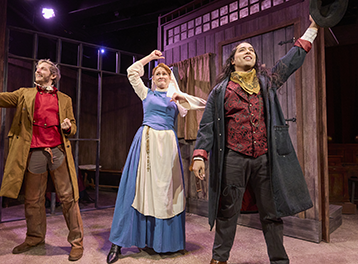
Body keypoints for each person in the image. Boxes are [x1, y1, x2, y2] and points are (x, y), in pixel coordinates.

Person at [191, 16, 320, 264]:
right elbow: (207, 126)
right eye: (242, 50)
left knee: (271, 213)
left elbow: (290, 61)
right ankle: (219, 259)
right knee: (228, 212)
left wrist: (312, 28)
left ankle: (279, 260)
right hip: (233, 158)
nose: (248, 52)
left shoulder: (266, 83)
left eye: (251, 50)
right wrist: (199, 156)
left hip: (264, 158)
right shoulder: (220, 90)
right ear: (233, 60)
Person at [0, 57, 84, 261]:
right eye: (37, 68)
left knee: (68, 199)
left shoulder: (65, 99)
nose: (38, 71)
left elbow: (73, 126)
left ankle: (76, 242)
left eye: (43, 69)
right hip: (34, 153)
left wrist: (69, 127)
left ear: (53, 75)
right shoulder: (24, 93)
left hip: (58, 152)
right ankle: (34, 237)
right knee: (33, 200)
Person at [106, 50, 206, 263]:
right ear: (153, 79)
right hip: (146, 143)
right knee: (135, 190)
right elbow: (132, 72)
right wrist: (150, 58)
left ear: (171, 79)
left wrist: (182, 97)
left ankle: (164, 242)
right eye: (158, 74)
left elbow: (202, 104)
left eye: (165, 74)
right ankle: (119, 242)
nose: (161, 77)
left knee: (165, 193)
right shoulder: (146, 94)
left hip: (168, 147)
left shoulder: (176, 98)